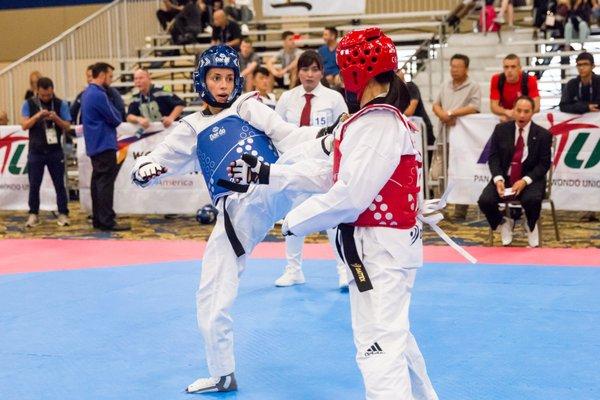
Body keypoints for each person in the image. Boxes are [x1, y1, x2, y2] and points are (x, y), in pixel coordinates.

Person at [130, 44, 335, 394]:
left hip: (272, 181)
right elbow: (155, 159)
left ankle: (340, 157)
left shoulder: (246, 106)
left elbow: (289, 135)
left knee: (299, 165)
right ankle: (222, 372)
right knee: (210, 292)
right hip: (236, 212)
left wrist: (326, 136)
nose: (223, 85)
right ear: (202, 81)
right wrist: (145, 168)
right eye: (216, 78)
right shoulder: (190, 127)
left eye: (228, 78)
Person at [277, 28, 438, 400]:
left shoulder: (376, 123)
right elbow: (335, 173)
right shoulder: (380, 120)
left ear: (354, 73)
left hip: (379, 250)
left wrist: (293, 222)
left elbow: (350, 194)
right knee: (394, 337)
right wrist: (272, 175)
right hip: (382, 247)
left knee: (378, 348)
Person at [274, 50, 349, 289]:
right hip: (295, 168)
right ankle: (293, 270)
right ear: (298, 72)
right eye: (305, 69)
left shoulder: (334, 98)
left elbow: (344, 131)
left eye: (315, 69)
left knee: (332, 219)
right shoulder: (287, 98)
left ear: (322, 72)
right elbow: (275, 132)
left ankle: (344, 271)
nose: (309, 74)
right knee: (294, 219)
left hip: (324, 167)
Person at [478, 96, 552, 247]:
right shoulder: (501, 130)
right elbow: (493, 158)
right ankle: (504, 222)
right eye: (519, 111)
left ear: (533, 113)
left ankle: (530, 225)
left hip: (530, 179)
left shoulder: (544, 135)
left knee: (532, 200)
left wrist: (525, 181)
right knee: (485, 201)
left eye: (526, 111)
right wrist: (498, 179)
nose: (522, 115)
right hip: (505, 177)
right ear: (513, 110)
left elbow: (544, 165)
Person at [430, 53, 481, 218]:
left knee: (461, 173)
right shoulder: (445, 84)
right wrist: (443, 114)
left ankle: (460, 211)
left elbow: (474, 107)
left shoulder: (473, 86)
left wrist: (452, 113)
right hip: (443, 136)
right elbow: (436, 105)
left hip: (463, 140)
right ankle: (439, 209)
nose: (454, 70)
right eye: (452, 66)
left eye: (458, 67)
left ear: (466, 68)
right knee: (439, 174)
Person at [81, 62, 131, 232]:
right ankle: (106, 220)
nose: (110, 80)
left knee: (97, 182)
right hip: (104, 143)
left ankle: (98, 219)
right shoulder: (99, 94)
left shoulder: (88, 93)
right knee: (105, 183)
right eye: (109, 76)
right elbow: (115, 117)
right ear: (102, 75)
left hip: (95, 144)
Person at [20, 77, 71, 228]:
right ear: (38, 92)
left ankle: (63, 213)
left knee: (59, 184)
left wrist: (56, 119)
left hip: (55, 150)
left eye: (49, 95)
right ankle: (33, 214)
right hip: (36, 150)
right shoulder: (29, 104)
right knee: (34, 184)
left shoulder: (60, 103)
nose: (46, 98)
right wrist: (37, 116)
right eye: (43, 95)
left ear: (52, 90)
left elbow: (67, 126)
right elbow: (24, 125)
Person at [559, 51, 600, 222]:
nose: (582, 68)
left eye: (585, 64)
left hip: (596, 131)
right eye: (579, 65)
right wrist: (586, 107)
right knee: (585, 172)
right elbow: (564, 106)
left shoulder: (599, 82)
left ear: (592, 66)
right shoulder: (572, 84)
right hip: (581, 134)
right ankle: (588, 208)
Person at [490, 54, 540, 121]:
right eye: (506, 67)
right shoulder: (497, 79)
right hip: (507, 115)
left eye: (513, 67)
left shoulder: (530, 80)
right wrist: (505, 112)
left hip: (523, 114)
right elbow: (494, 107)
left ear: (520, 68)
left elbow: (536, 107)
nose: (509, 70)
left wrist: (517, 114)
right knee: (503, 119)